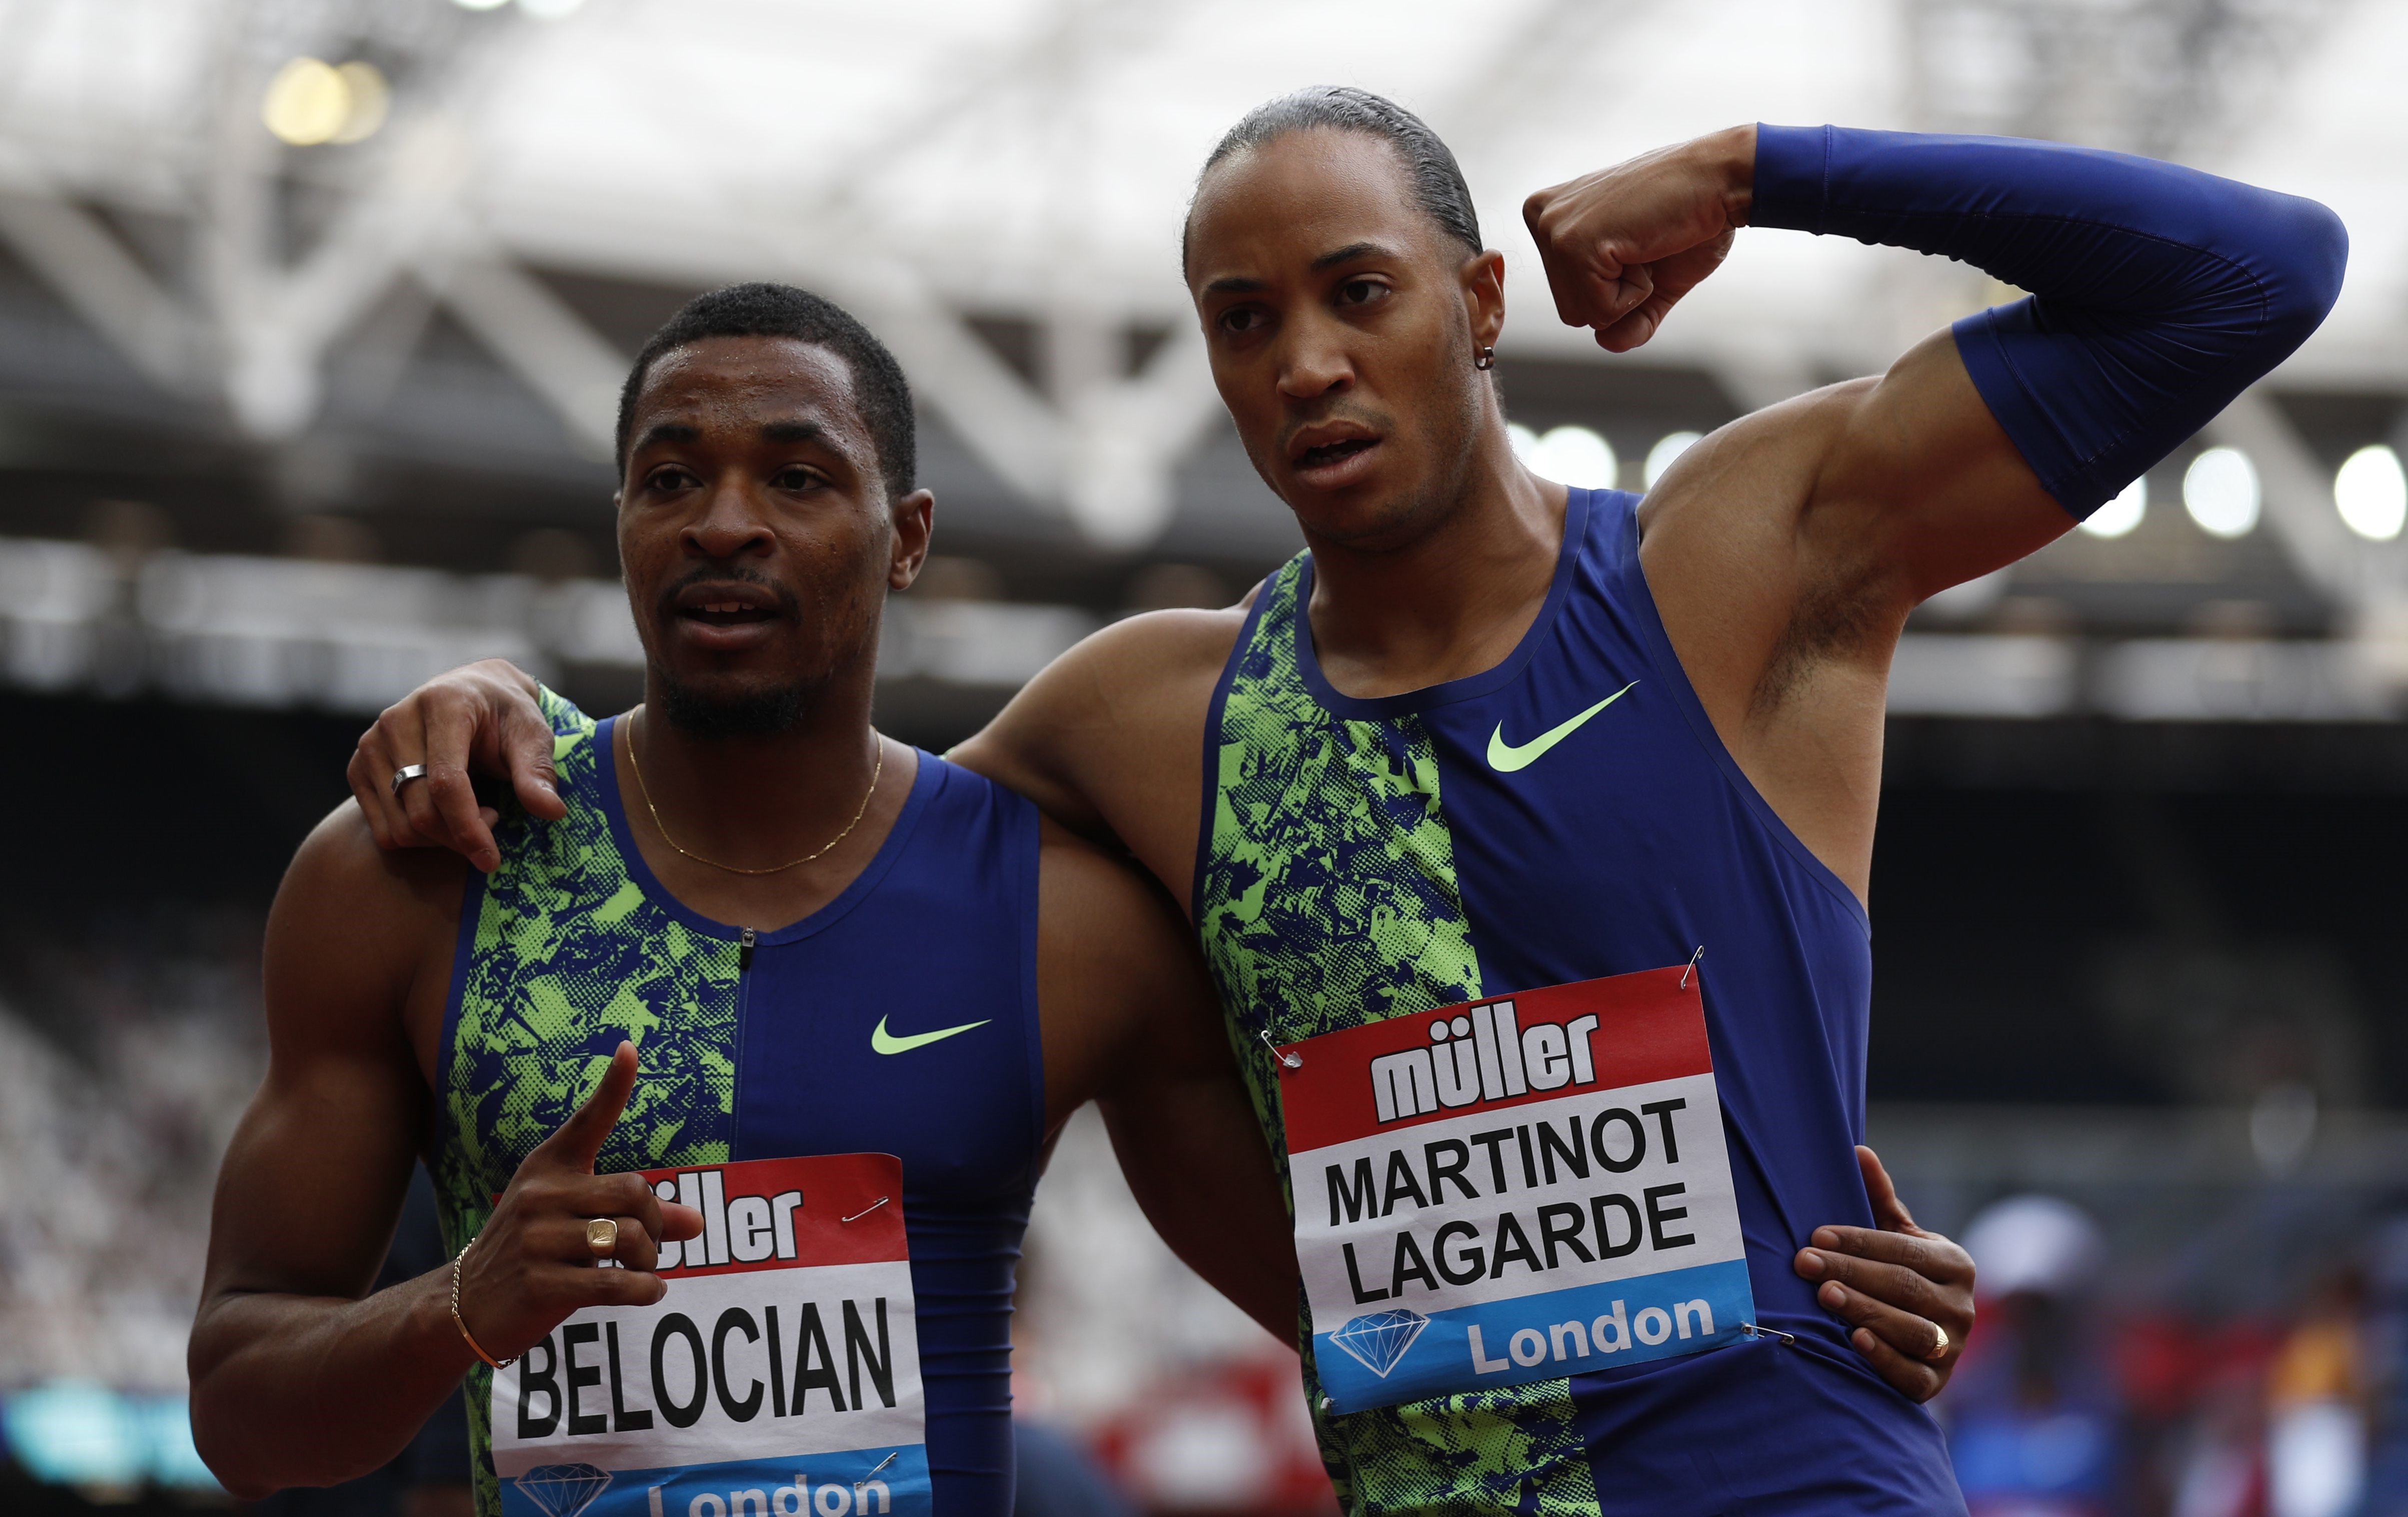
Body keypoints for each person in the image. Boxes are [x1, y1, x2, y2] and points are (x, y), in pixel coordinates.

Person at [344, 87, 2345, 1512]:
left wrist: (1761, 167)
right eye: (1242, 319)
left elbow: (2251, 274)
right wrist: (498, 706)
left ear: (1479, 302)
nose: (1302, 360)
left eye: (1356, 289)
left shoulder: (1738, 559)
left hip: (1786, 1473)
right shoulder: (1146, 713)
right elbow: (798, 834)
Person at [189, 285, 1302, 1517]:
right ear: (620, 524)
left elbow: (1376, 1307)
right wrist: (462, 1302)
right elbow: (241, 1420)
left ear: (908, 535)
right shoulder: (415, 874)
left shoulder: (1064, 921)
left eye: (797, 479)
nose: (723, 525)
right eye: (669, 480)